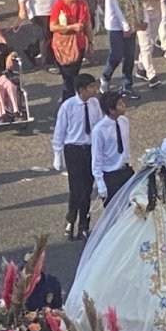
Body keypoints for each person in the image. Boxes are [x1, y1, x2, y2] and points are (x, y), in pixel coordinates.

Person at [52, 74, 103, 240]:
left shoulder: (95, 104)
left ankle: (83, 224)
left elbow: (99, 126)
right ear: (81, 90)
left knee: (87, 188)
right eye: (91, 87)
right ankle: (71, 218)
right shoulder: (68, 106)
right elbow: (60, 131)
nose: (94, 90)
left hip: (90, 148)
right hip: (74, 149)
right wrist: (57, 154)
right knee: (76, 188)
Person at [90, 91, 133, 205]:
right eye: (119, 104)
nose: (123, 105)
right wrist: (100, 183)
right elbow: (96, 157)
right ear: (111, 110)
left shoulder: (124, 121)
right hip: (110, 175)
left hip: (126, 170)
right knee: (113, 212)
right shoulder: (99, 130)